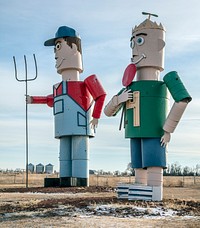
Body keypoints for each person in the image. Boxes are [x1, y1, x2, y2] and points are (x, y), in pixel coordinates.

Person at [104, 13, 191, 200]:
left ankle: (155, 195)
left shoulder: (166, 80)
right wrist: (119, 100)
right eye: (133, 43)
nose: (135, 48)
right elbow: (107, 111)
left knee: (153, 163)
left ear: (159, 46)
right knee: (138, 164)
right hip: (134, 131)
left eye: (140, 41)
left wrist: (168, 129)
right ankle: (139, 194)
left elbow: (182, 99)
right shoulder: (129, 86)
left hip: (155, 132)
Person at [27, 26, 106, 187]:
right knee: (64, 155)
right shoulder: (58, 88)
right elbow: (51, 100)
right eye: (55, 49)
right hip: (62, 127)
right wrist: (33, 99)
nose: (56, 54)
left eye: (58, 46)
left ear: (74, 48)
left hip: (80, 125)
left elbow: (101, 95)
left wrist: (96, 116)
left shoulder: (87, 81)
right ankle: (65, 177)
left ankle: (80, 178)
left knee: (79, 154)